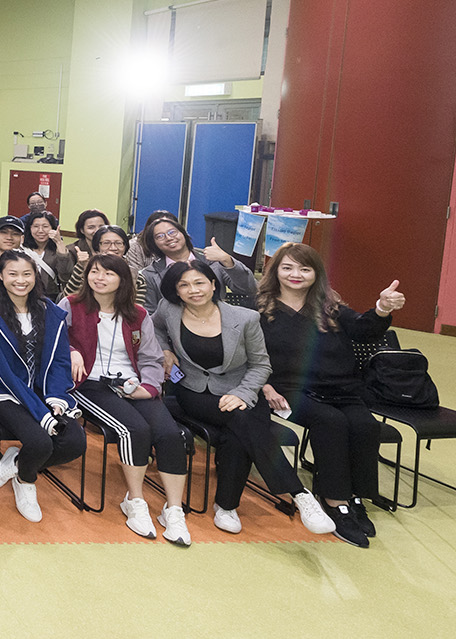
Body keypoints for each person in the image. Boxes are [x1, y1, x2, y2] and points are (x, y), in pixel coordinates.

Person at [153, 260, 336, 537]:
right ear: (176, 291)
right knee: (240, 420)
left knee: (237, 430)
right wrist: (166, 350)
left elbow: (261, 365)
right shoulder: (169, 310)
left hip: (244, 392)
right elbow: (152, 328)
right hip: (194, 392)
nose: (193, 290)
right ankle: (298, 493)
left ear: (214, 284)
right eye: (184, 285)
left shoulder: (245, 317)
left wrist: (241, 393)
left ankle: (226, 507)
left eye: (200, 282)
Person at [256, 243, 406, 547]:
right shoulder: (261, 310)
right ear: (276, 272)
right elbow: (248, 355)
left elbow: (366, 331)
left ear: (316, 274)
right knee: (331, 423)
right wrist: (264, 386)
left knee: (365, 426)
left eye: (304, 268)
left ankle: (356, 497)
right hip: (289, 391)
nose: (295, 274)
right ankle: (335, 501)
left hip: (342, 388)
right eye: (287, 267)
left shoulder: (331, 308)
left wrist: (382, 309)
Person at [60, 254, 191, 544]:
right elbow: (54, 340)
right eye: (94, 272)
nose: (100, 278)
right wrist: (71, 350)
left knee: (170, 434)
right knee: (134, 430)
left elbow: (152, 358)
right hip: (89, 385)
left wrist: (149, 387)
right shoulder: (71, 305)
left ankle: (173, 509)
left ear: (123, 280)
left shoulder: (138, 314)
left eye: (108, 273)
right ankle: (135, 500)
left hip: (133, 385)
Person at [0, 250, 85, 523]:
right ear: (0, 276)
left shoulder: (50, 311)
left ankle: (15, 462)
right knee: (39, 440)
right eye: (12, 274)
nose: (20, 280)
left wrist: (56, 398)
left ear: (35, 275)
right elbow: (2, 371)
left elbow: (59, 361)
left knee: (75, 442)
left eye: (27, 274)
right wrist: (42, 414)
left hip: (39, 390)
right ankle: (26, 480)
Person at [140, 216, 257, 309]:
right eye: (160, 236)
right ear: (153, 244)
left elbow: (248, 288)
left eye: (172, 232)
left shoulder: (212, 259)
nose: (169, 238)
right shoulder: (150, 274)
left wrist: (227, 260)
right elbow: (150, 314)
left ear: (184, 234)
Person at [61, 225, 148, 305]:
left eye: (118, 243)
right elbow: (67, 298)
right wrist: (81, 266)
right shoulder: (88, 270)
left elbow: (136, 310)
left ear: (125, 246)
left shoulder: (136, 277)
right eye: (106, 243)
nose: (113, 248)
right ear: (97, 246)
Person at [25, 211, 74, 290]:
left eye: (45, 226)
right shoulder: (22, 250)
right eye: (36, 226)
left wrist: (59, 242)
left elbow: (66, 276)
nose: (40, 230)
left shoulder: (57, 251)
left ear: (52, 228)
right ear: (30, 228)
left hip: (50, 296)